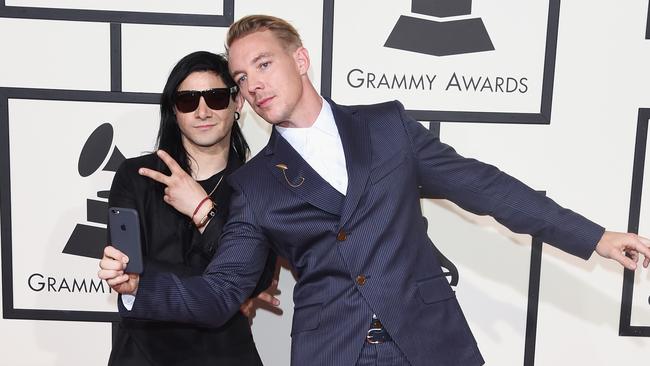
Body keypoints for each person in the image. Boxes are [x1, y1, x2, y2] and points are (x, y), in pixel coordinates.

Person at [99, 15, 650, 366]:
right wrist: (136, 286)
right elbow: (222, 291)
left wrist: (595, 236)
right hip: (332, 350)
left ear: (300, 60)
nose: (254, 84)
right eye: (242, 79)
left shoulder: (387, 129)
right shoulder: (254, 184)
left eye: (263, 64)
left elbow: (483, 186)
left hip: (429, 341)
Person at [104, 50, 278, 366]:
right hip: (143, 354)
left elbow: (257, 278)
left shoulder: (259, 185)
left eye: (214, 98)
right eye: (187, 100)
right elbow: (130, 272)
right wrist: (223, 283)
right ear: (174, 110)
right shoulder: (137, 176)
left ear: (236, 103)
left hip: (225, 355)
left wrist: (202, 211)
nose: (202, 111)